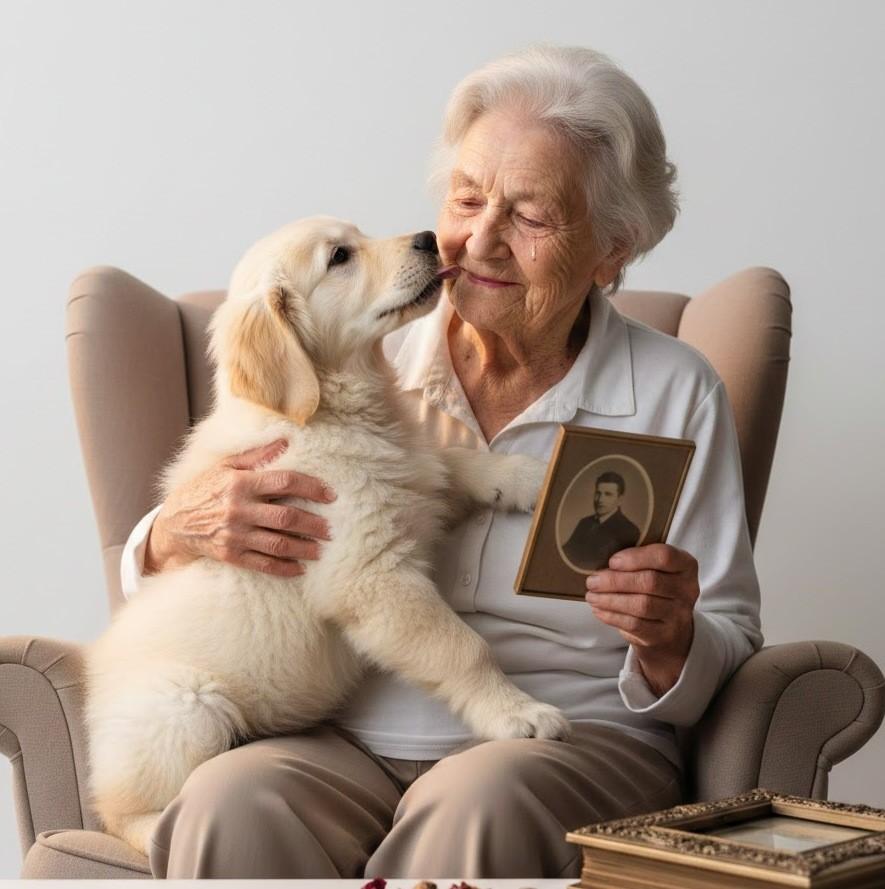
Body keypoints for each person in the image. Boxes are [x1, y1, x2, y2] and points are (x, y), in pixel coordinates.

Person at [120, 44, 762, 879]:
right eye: (466, 199)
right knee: (228, 798)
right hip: (338, 733)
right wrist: (173, 534)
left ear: (613, 249)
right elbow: (196, 576)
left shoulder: (674, 390)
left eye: (530, 217)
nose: (480, 241)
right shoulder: (356, 340)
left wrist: (671, 634)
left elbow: (730, 635)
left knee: (475, 800)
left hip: (564, 738)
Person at [562, 472, 642, 570]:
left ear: (620, 499)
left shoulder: (629, 530)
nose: (600, 500)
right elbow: (567, 553)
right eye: (598, 493)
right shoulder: (585, 523)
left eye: (608, 494)